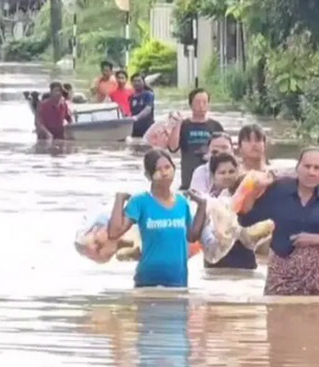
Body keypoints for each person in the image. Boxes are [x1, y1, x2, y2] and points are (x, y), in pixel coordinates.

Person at [240, 147, 319, 295]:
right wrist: (253, 191)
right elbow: (245, 219)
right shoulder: (279, 189)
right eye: (307, 166)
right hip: (280, 273)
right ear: (297, 168)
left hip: (314, 275)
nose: (311, 172)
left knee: (313, 309)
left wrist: (316, 239)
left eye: (317, 168)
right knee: (276, 308)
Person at [107, 149, 206, 288]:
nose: (164, 173)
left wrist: (202, 206)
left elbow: (192, 237)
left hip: (178, 281)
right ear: (148, 175)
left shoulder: (182, 202)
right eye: (158, 169)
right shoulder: (140, 201)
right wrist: (119, 199)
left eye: (167, 167)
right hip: (147, 282)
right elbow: (114, 233)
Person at [201, 153, 260, 270]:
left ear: (238, 172)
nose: (227, 176)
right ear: (213, 176)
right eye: (222, 173)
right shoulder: (206, 203)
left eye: (231, 171)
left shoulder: (249, 199)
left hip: (244, 260)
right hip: (215, 262)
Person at [167, 88, 225, 190]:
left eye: (205, 102)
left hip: (211, 180)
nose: (201, 106)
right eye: (198, 102)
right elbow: (172, 148)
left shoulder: (216, 126)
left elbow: (225, 152)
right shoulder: (183, 125)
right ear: (190, 104)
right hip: (188, 179)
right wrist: (177, 124)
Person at [129, 73, 155, 138]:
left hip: (147, 127)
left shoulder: (149, 94)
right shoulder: (131, 97)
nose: (136, 83)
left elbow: (148, 109)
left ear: (143, 82)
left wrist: (137, 117)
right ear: (131, 83)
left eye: (139, 81)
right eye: (134, 81)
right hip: (134, 128)